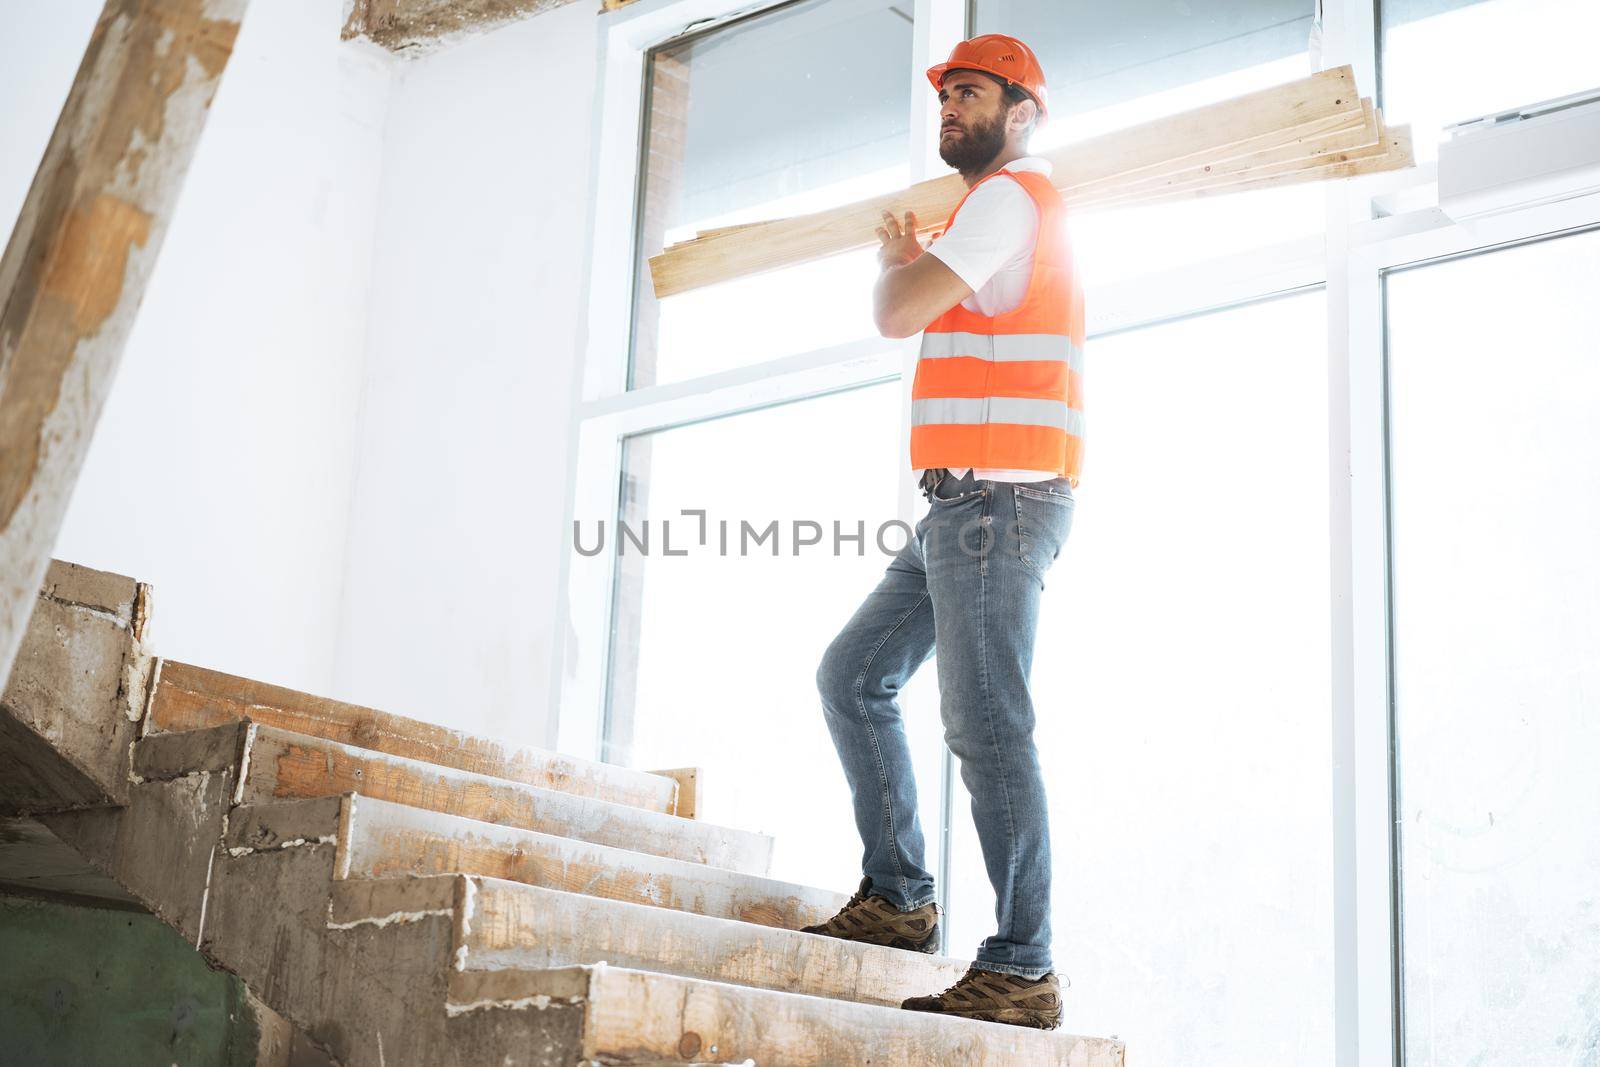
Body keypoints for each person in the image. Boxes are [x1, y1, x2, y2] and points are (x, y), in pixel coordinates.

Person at [803, 33, 1086, 1032]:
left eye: (969, 93)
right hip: (958, 508)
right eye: (943, 96)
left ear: (1023, 113)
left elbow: (896, 313)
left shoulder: (1011, 198)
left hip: (997, 505)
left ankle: (1022, 963)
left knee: (985, 728)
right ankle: (899, 898)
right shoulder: (988, 207)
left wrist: (895, 258)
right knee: (853, 675)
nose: (949, 108)